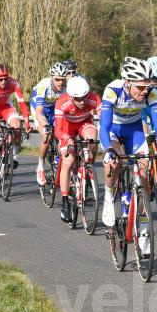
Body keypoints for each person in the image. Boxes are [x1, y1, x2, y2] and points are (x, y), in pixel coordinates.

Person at [99, 57, 157, 257]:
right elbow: (104, 127)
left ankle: (143, 231)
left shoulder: (153, 94)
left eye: (147, 87)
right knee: (115, 163)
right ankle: (108, 197)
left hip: (134, 130)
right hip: (113, 129)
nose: (144, 91)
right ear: (127, 82)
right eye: (140, 87)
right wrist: (109, 150)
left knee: (143, 172)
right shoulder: (113, 90)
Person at [54, 76, 101, 222]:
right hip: (66, 128)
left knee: (92, 137)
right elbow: (58, 130)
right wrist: (67, 139)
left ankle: (87, 167)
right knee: (68, 161)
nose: (82, 102)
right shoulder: (62, 103)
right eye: (78, 99)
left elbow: (104, 117)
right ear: (71, 96)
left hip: (84, 124)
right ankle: (65, 202)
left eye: (84, 98)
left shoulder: (93, 99)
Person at [0, 63, 31, 191]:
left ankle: (13, 156)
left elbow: (22, 104)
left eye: (5, 78)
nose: (3, 81)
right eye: (0, 79)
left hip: (6, 108)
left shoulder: (14, 83)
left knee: (17, 126)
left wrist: (26, 121)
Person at [31, 61, 73, 186]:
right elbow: (38, 112)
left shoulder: (67, 87)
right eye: (57, 80)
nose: (60, 82)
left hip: (54, 108)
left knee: (63, 133)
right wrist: (45, 125)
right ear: (51, 78)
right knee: (47, 135)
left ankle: (57, 160)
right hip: (40, 109)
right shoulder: (44, 86)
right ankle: (40, 167)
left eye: (62, 79)